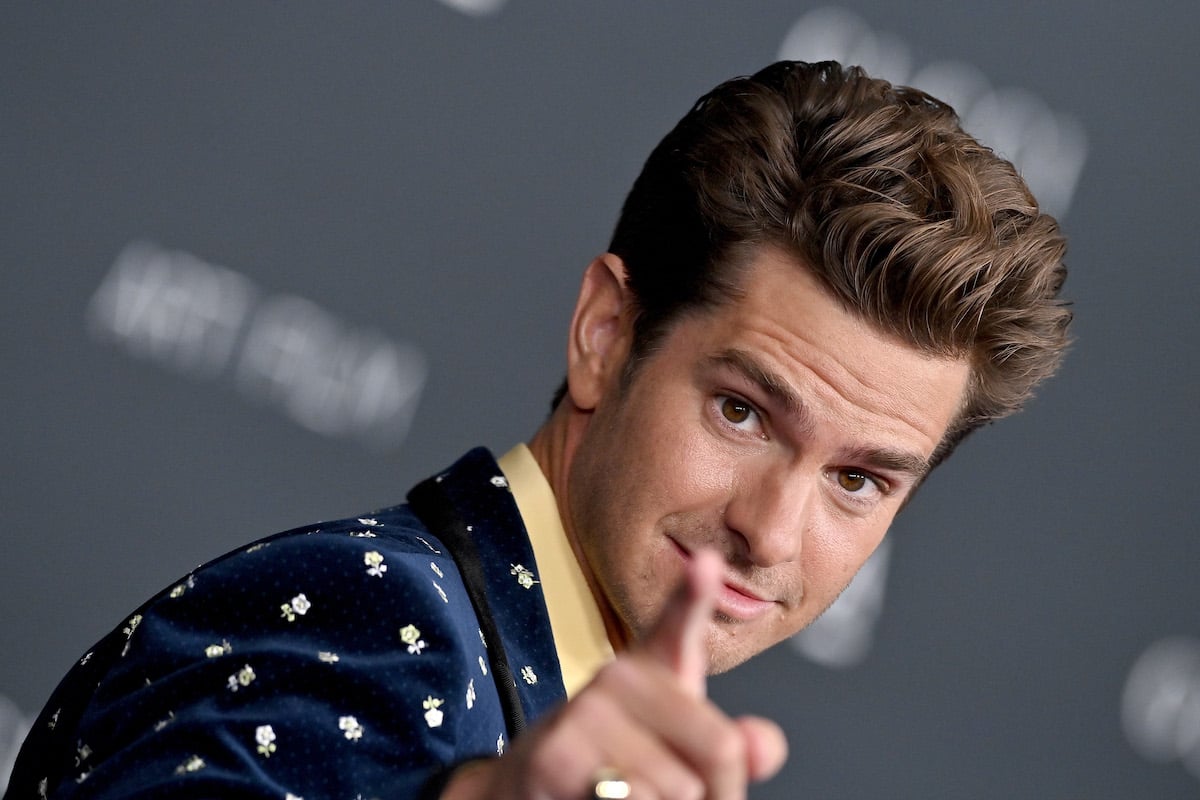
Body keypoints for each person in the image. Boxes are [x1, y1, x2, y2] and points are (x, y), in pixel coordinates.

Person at [5, 60, 1070, 800]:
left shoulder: (585, 722)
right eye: (743, 411)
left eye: (859, 479)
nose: (773, 530)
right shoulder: (383, 618)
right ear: (606, 335)